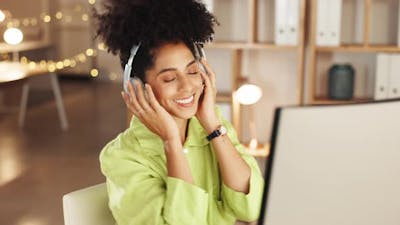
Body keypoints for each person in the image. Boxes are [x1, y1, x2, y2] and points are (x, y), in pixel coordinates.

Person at [95, 0, 264, 224]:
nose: (187, 87)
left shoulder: (214, 129)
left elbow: (251, 209)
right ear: (135, 86)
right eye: (170, 78)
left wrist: (213, 127)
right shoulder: (123, 157)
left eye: (193, 71)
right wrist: (171, 143)